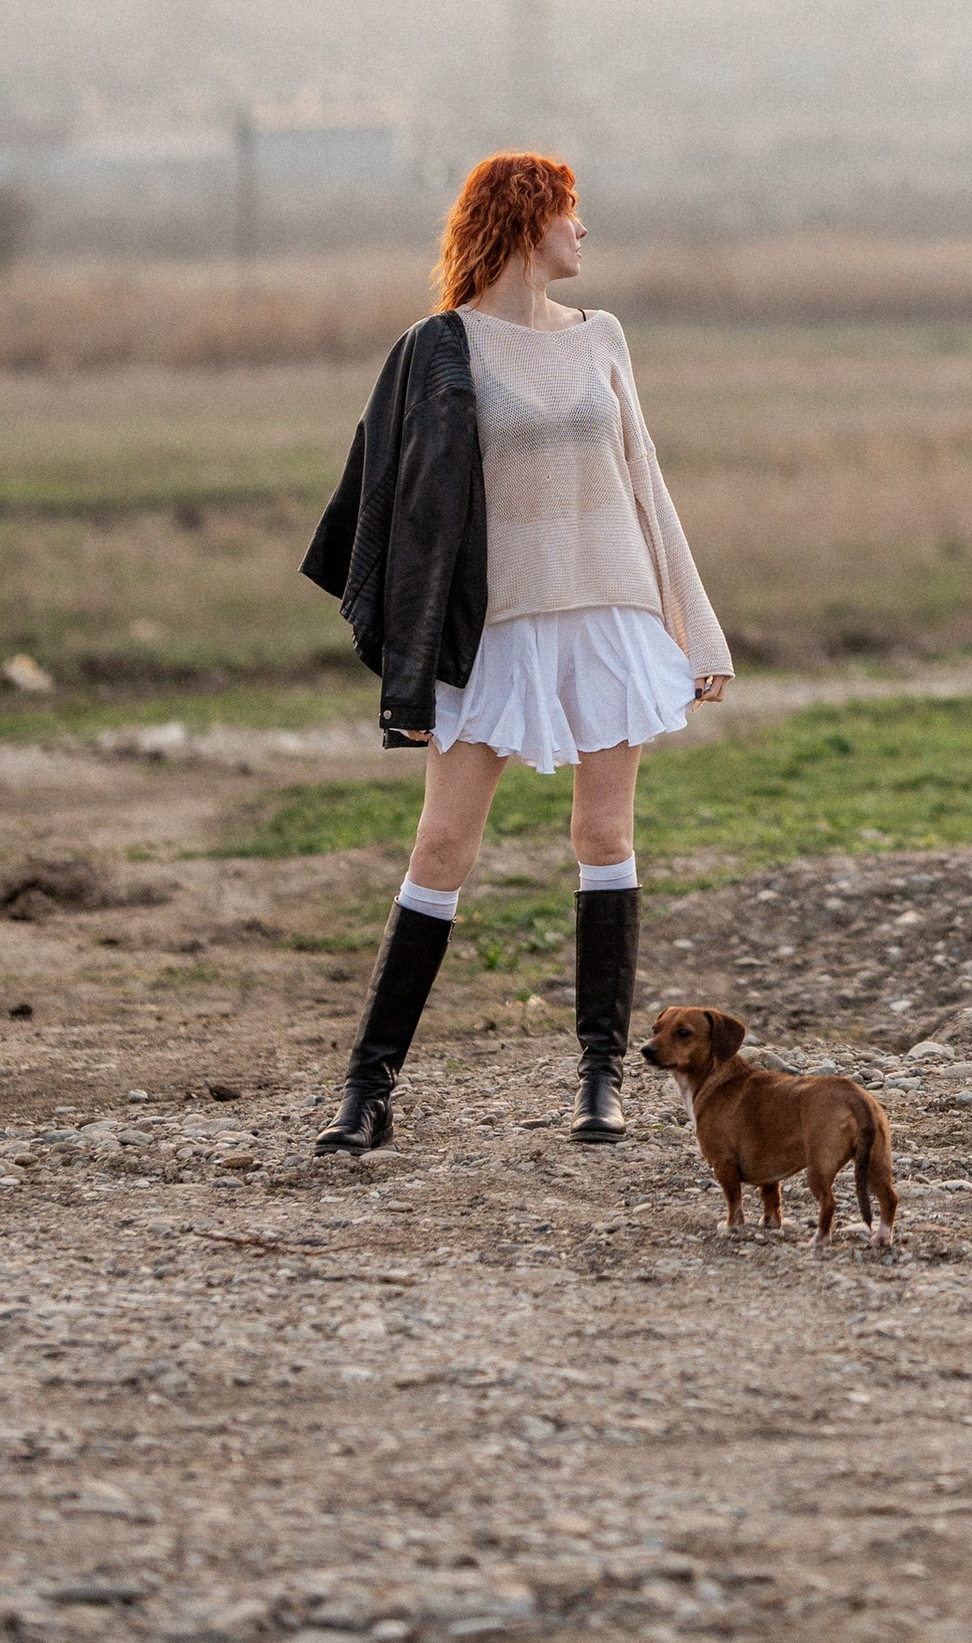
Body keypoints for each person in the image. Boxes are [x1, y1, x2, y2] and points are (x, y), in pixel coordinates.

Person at [303, 152, 730, 1154]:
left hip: (612, 617)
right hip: (491, 632)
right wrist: (407, 663)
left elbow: (646, 484)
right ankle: (367, 1091)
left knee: (604, 838)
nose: (585, 233)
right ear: (528, 220)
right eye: (570, 215)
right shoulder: (438, 349)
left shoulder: (605, 338)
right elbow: (401, 509)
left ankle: (600, 1080)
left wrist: (694, 630)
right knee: (442, 847)